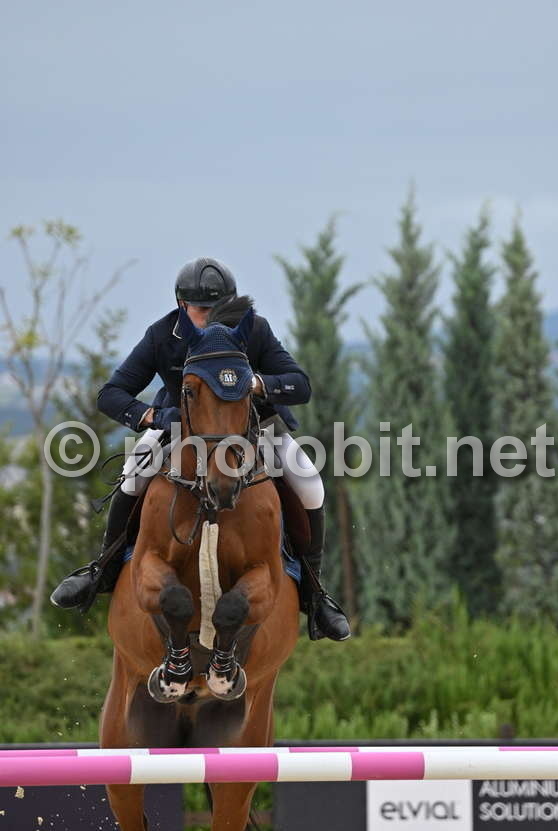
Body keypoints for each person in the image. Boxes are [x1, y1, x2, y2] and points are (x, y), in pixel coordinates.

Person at [50, 257, 350, 642]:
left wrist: (256, 384)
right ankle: (101, 570)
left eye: (218, 308)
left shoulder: (253, 330)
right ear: (182, 304)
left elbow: (299, 384)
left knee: (310, 486)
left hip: (255, 428)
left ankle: (314, 594)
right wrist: (152, 415)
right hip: (181, 429)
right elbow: (111, 394)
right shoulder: (162, 335)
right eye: (201, 310)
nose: (210, 318)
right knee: (132, 477)